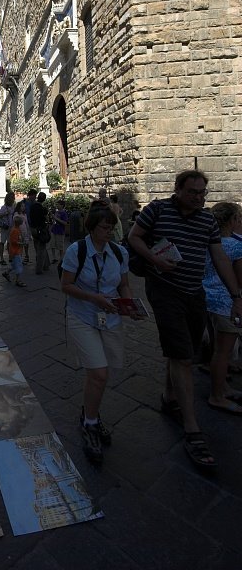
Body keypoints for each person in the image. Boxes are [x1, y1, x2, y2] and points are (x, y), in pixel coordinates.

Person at [127, 169, 242, 469]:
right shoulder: (157, 210)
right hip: (165, 292)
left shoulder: (207, 220)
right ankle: (193, 429)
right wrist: (155, 260)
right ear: (177, 189)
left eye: (203, 192)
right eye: (193, 192)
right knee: (182, 358)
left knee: (185, 352)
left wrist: (236, 296)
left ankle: (169, 396)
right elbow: (134, 237)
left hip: (195, 293)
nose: (199, 197)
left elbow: (219, 257)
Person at [61, 204, 132, 463]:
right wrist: (94, 298)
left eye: (112, 227)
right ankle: (90, 422)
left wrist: (129, 305)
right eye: (105, 227)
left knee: (100, 374)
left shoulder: (119, 252)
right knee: (99, 373)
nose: (109, 232)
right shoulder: (76, 251)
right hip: (82, 315)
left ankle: (90, 413)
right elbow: (65, 285)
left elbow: (124, 284)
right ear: (92, 228)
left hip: (110, 317)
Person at [202, 201, 242, 414]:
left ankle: (223, 388)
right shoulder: (236, 246)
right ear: (233, 220)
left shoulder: (208, 243)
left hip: (207, 300)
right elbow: (240, 279)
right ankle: (217, 396)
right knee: (223, 352)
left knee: (216, 349)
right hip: (227, 303)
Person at [3, 214, 26, 287]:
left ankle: (6, 273)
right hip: (15, 251)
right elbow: (14, 241)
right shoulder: (15, 230)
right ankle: (18, 280)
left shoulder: (16, 229)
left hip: (15, 251)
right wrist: (22, 243)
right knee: (19, 266)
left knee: (14, 265)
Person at [29, 191, 50, 275]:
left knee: (38, 247)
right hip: (41, 230)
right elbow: (46, 219)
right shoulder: (43, 209)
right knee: (42, 248)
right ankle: (40, 268)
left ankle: (46, 264)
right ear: (44, 199)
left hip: (33, 229)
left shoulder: (32, 207)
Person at [0, 191, 15, 265]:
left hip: (11, 227)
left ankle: (10, 257)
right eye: (12, 198)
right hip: (4, 227)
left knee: (10, 242)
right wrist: (5, 214)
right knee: (2, 242)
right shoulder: (4, 207)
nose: (13, 199)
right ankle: (1, 258)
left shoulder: (13, 207)